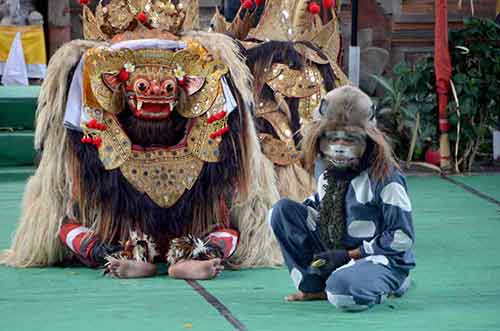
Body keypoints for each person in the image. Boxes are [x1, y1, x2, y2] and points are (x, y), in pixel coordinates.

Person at [269, 86, 415, 311]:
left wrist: (351, 255)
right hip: (338, 248)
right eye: (332, 138)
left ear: (368, 140)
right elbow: (322, 202)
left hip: (376, 256)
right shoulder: (325, 166)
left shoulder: (386, 178)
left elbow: (402, 237)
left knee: (341, 294)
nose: (338, 148)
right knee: (280, 212)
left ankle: (390, 281)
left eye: (350, 140)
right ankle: (313, 285)